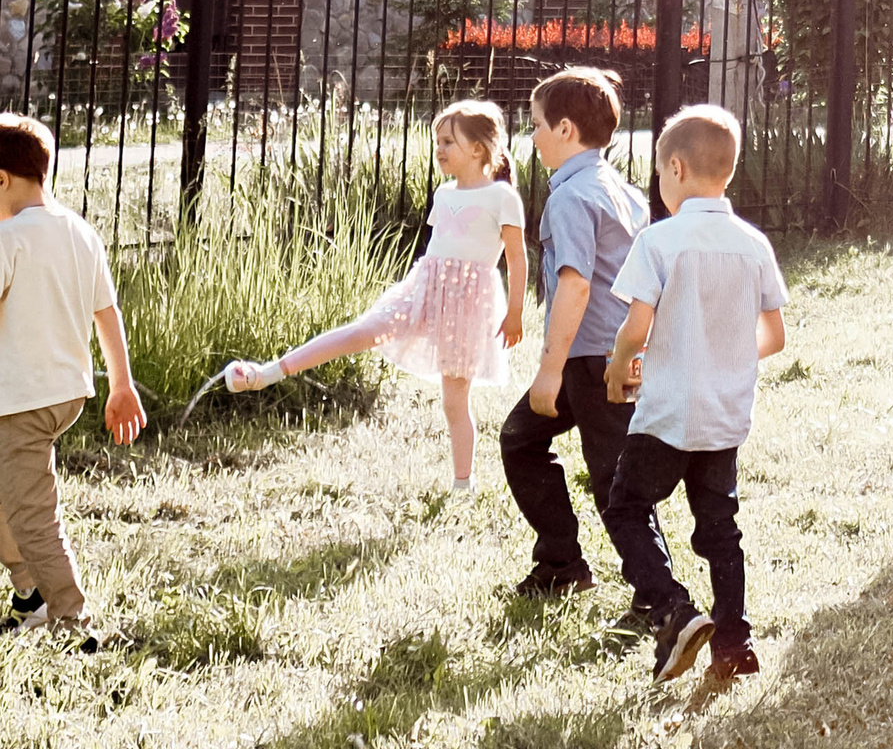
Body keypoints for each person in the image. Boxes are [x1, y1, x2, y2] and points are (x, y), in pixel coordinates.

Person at [224, 98, 526, 489]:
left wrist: (515, 312)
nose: (440, 149)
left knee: (454, 400)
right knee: (362, 331)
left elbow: (517, 260)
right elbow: (437, 255)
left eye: (449, 141)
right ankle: (269, 372)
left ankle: (462, 484)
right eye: (438, 141)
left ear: (478, 148)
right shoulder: (444, 194)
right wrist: (422, 296)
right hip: (424, 289)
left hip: (467, 305)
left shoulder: (502, 198)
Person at [603, 103, 790, 693]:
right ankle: (735, 647)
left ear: (676, 169)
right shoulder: (753, 243)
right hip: (724, 417)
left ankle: (672, 611)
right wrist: (723, 357)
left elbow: (636, 327)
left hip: (665, 414)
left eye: (660, 172)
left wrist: (619, 366)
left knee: (627, 507)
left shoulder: (660, 241)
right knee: (719, 531)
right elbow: (776, 335)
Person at [501, 69, 653, 607]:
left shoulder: (570, 198)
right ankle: (561, 563)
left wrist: (548, 370)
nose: (532, 136)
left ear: (565, 129)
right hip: (617, 353)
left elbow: (575, 284)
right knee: (522, 439)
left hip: (592, 361)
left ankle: (659, 597)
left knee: (615, 479)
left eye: (537, 124)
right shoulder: (624, 192)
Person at [0, 114, 146, 646]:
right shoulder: (81, 233)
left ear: (1, 180)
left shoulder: (9, 238)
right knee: (11, 495)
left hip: (20, 401)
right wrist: (121, 385)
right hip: (66, 394)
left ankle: (73, 620)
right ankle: (31, 596)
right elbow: (106, 313)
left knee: (35, 512)